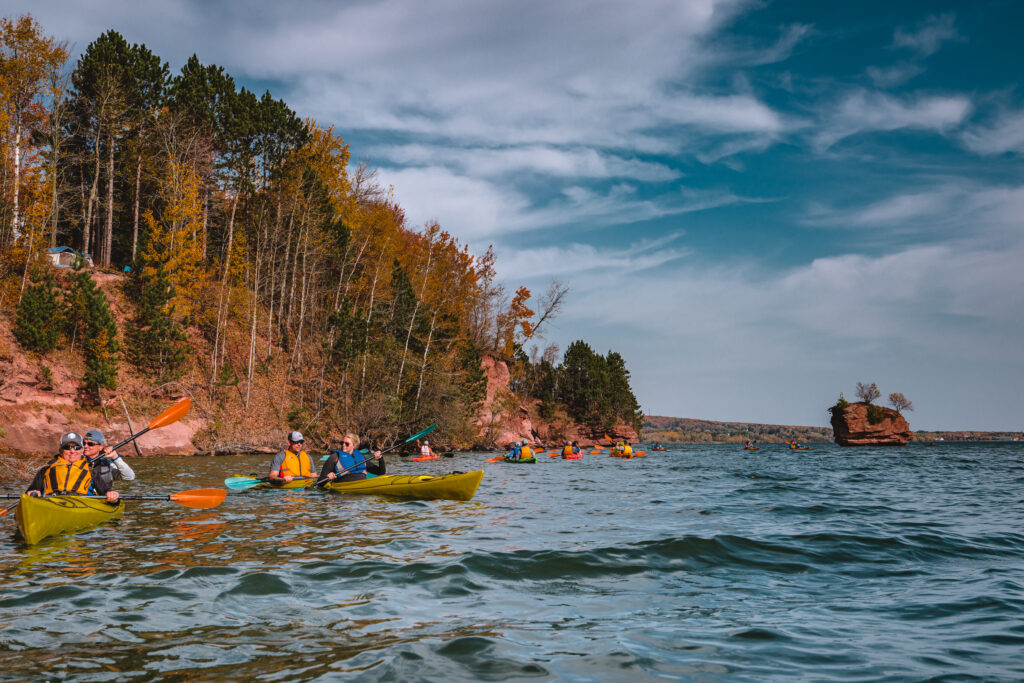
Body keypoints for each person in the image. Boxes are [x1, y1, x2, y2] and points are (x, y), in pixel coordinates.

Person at [25, 432, 119, 502]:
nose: (73, 451)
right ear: (61, 450)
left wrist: (110, 494)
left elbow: (105, 491)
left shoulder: (91, 471)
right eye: (67, 447)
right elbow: (30, 491)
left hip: (81, 504)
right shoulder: (45, 470)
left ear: (82, 450)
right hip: (52, 502)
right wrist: (32, 493)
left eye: (77, 447)